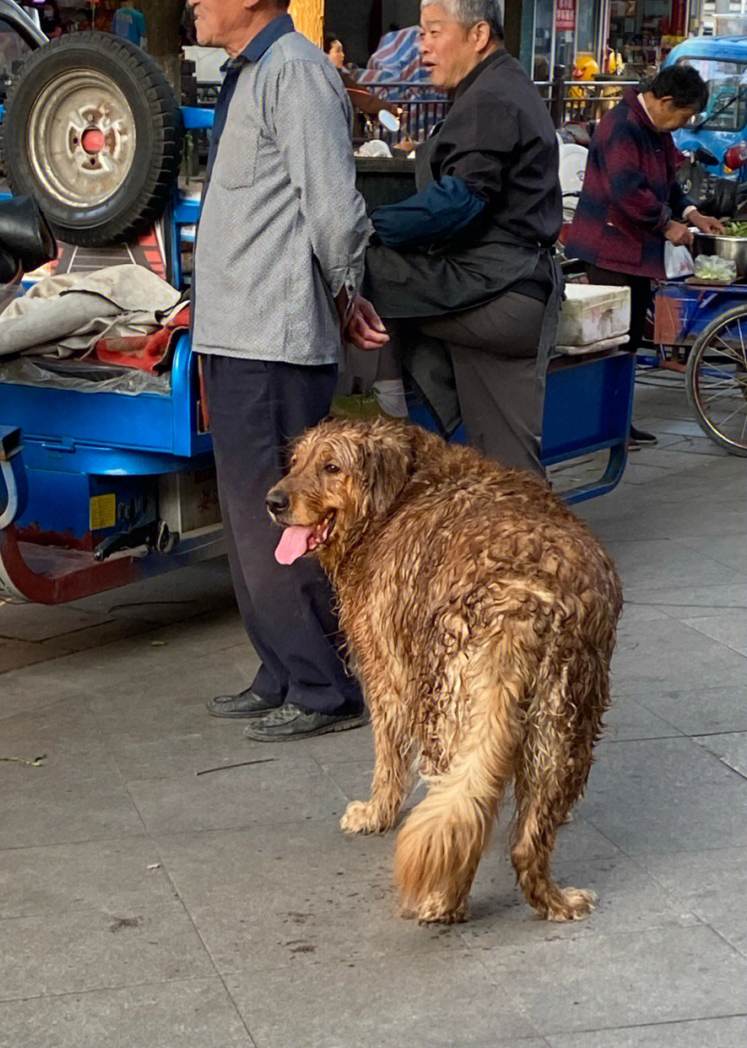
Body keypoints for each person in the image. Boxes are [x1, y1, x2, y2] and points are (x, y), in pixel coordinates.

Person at [189, 0, 387, 741]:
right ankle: (280, 669)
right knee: (247, 524)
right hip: (236, 334)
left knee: (285, 520)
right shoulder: (252, 72)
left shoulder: (297, 73)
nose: (196, 4)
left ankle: (324, 684)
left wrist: (345, 289)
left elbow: (334, 209)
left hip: (271, 341)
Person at [361, 0, 563, 477]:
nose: (422, 45)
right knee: (507, 466)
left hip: (496, 287)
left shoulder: (491, 96)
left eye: (433, 32)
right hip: (516, 288)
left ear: (478, 36)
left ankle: (391, 427)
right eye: (421, 33)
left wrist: (370, 225)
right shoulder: (499, 83)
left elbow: (461, 201)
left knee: (363, 267)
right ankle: (533, 547)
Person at [564, 63, 725, 447]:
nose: (682, 124)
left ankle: (617, 422)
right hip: (608, 249)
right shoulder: (622, 125)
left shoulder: (655, 131)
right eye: (683, 115)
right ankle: (598, 424)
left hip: (636, 250)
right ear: (665, 100)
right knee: (610, 341)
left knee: (631, 339)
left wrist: (691, 214)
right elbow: (627, 191)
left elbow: (668, 184)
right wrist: (666, 225)